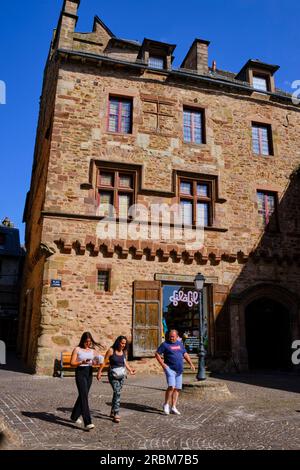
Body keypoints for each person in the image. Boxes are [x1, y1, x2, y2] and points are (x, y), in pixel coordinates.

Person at [155, 329, 195, 416]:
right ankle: (166, 404)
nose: (171, 338)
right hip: (170, 369)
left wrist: (191, 363)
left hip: (179, 370)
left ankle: (173, 407)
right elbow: (157, 354)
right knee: (171, 386)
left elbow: (185, 354)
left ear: (177, 337)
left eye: (173, 336)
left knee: (177, 388)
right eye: (170, 336)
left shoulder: (180, 344)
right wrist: (162, 364)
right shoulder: (165, 344)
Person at [97, 336, 135, 423]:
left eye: (125, 343)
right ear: (118, 342)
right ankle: (116, 413)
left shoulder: (123, 351)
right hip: (112, 375)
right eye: (122, 343)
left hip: (121, 374)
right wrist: (99, 372)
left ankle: (113, 410)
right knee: (117, 392)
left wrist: (130, 370)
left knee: (117, 393)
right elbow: (104, 361)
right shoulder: (111, 350)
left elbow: (124, 362)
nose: (123, 345)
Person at [70, 331, 103, 430]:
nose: (88, 343)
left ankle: (74, 416)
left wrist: (97, 362)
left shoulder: (92, 350)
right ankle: (87, 422)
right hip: (80, 372)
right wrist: (81, 362)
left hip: (89, 372)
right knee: (84, 396)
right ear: (83, 340)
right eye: (87, 341)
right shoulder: (77, 349)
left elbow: (99, 360)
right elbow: (72, 363)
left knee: (83, 395)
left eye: (90, 342)